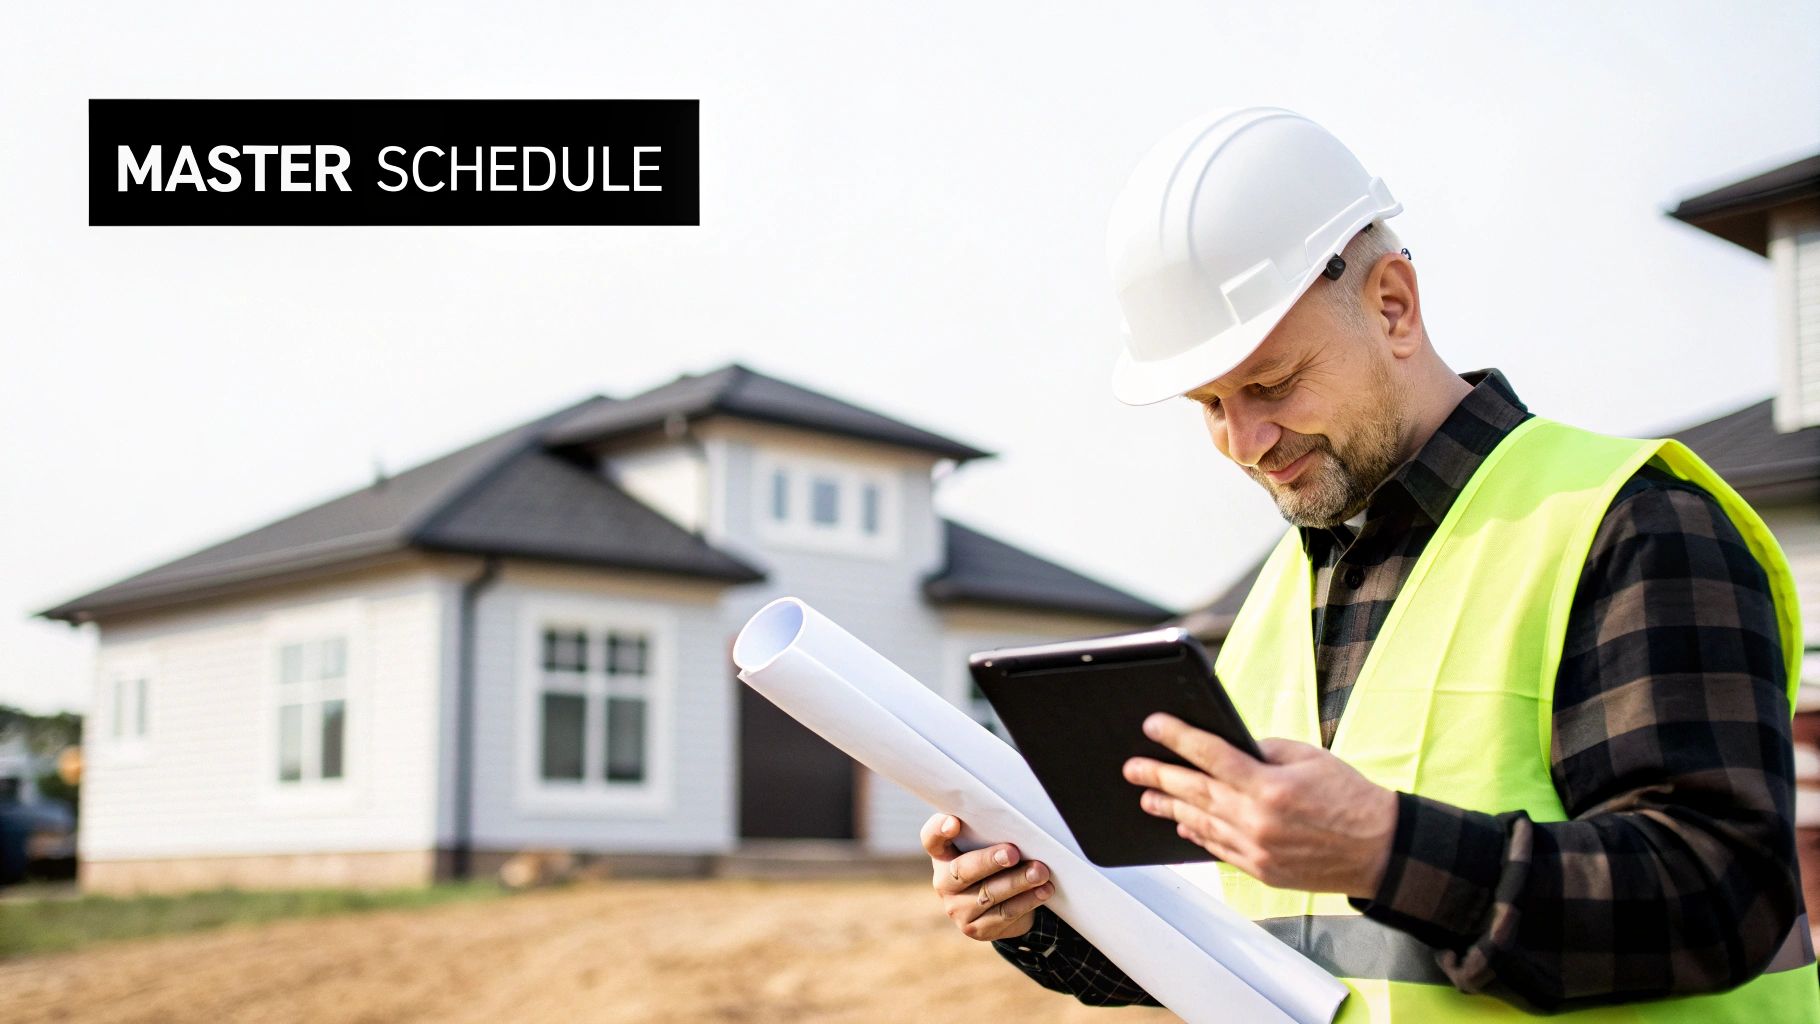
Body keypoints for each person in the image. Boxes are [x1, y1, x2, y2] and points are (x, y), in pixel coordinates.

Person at [922, 107, 1818, 1020]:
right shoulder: (1274, 603)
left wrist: (1385, 849)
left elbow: (1721, 897)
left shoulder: (1631, 524)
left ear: (1392, 304)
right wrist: (1040, 912)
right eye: (1210, 405)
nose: (1246, 441)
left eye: (1272, 383)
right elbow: (1266, 946)